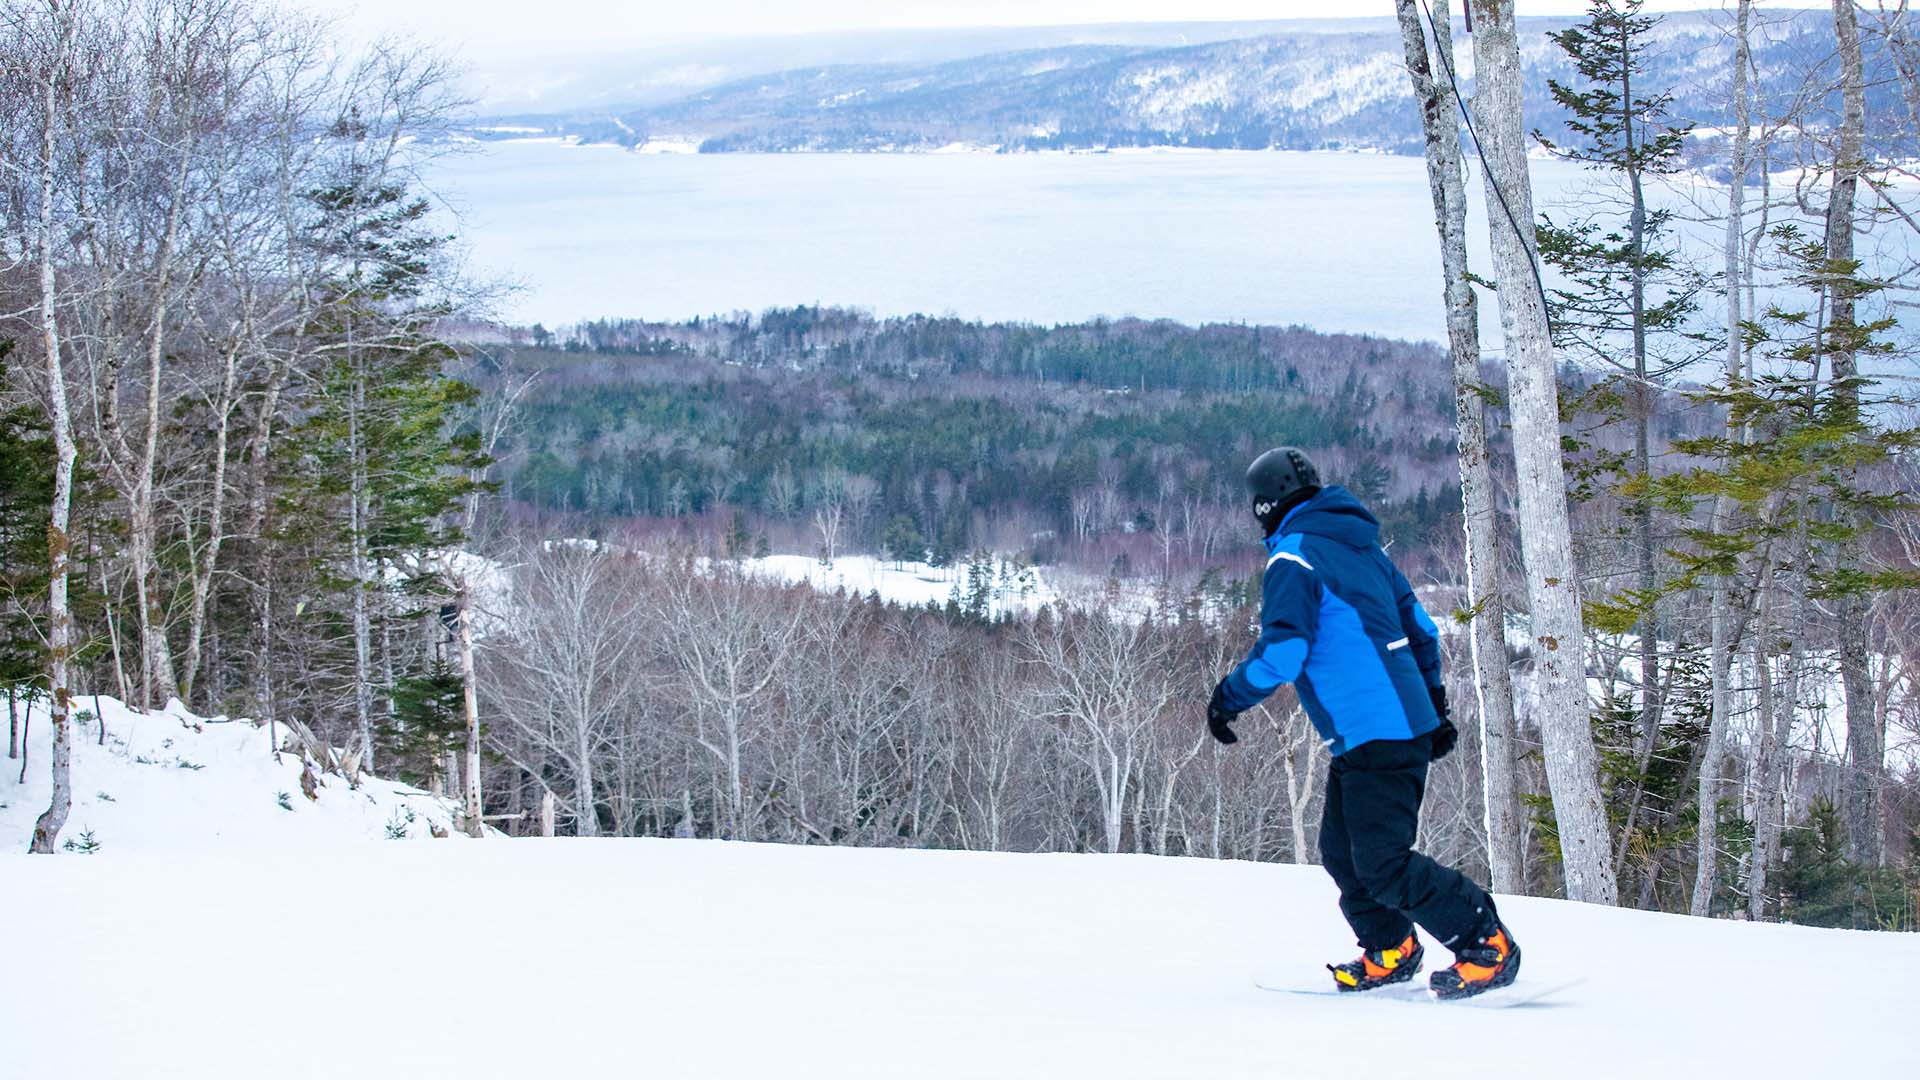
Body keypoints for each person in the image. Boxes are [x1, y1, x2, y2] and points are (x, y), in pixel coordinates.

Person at [1206, 447, 1519, 1000]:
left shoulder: (1293, 559)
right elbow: (1421, 631)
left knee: (1382, 863)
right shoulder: (1364, 549)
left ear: (1263, 506)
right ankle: (1390, 947)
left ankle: (1485, 941)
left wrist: (1228, 698)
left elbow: (1284, 653)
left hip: (1376, 729)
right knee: (1343, 852)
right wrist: (1434, 708)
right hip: (1379, 730)